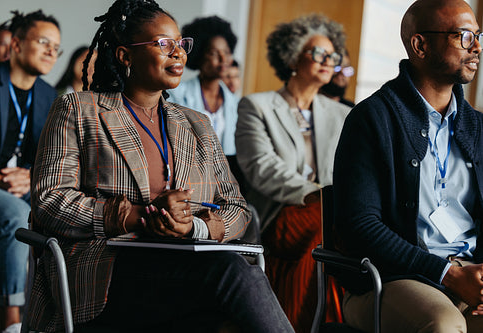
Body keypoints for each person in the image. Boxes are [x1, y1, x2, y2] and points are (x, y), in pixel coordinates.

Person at [28, 1, 294, 332]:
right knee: (232, 272)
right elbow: (49, 200)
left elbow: (237, 208)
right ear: (126, 56)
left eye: (181, 44)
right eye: (164, 44)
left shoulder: (197, 124)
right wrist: (136, 216)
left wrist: (194, 229)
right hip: (105, 271)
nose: (178, 53)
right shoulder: (79, 111)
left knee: (230, 305)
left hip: (183, 266)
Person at [332, 0, 483, 332]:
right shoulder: (373, 119)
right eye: (465, 37)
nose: (477, 47)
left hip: (471, 273)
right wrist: (448, 274)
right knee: (443, 325)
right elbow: (361, 226)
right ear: (420, 45)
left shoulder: (478, 128)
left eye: (478, 36)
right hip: (393, 278)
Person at [236, 14, 350, 332]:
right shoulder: (256, 106)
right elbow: (262, 168)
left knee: (331, 225)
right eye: (319, 53)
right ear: (292, 57)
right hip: (277, 214)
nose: (329, 61)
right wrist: (315, 194)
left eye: (333, 55)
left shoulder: (343, 114)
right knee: (325, 222)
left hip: (329, 214)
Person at [0, 9, 60, 333]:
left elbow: (49, 160)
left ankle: (61, 316)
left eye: (56, 47)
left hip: (21, 185)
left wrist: (29, 175)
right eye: (43, 42)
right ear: (16, 44)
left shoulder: (48, 95)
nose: (51, 52)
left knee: (64, 208)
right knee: (15, 214)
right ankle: (11, 320)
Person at [166, 15, 238, 156]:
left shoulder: (235, 102)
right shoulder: (175, 94)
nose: (223, 59)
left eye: (227, 53)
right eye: (214, 53)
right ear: (199, 56)